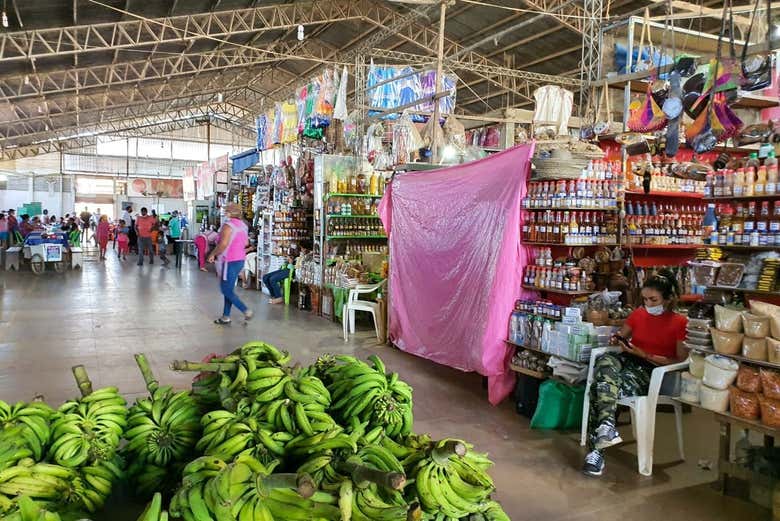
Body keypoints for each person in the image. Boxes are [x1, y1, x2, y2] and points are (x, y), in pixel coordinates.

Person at [582, 270, 688, 477]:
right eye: (645, 299)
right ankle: (606, 427)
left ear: (668, 299)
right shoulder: (639, 314)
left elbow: (679, 360)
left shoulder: (679, 323)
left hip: (652, 371)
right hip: (628, 360)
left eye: (653, 299)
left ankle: (597, 450)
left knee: (600, 387)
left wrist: (645, 354)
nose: (648, 303)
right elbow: (622, 335)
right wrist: (617, 340)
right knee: (605, 361)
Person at [207, 203, 253, 325]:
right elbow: (246, 243)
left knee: (225, 290)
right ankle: (225, 316)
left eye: (226, 210)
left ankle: (245, 310)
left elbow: (222, 245)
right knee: (229, 289)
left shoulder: (228, 226)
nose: (224, 212)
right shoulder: (243, 225)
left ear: (229, 212)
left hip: (229, 260)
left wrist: (212, 254)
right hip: (240, 260)